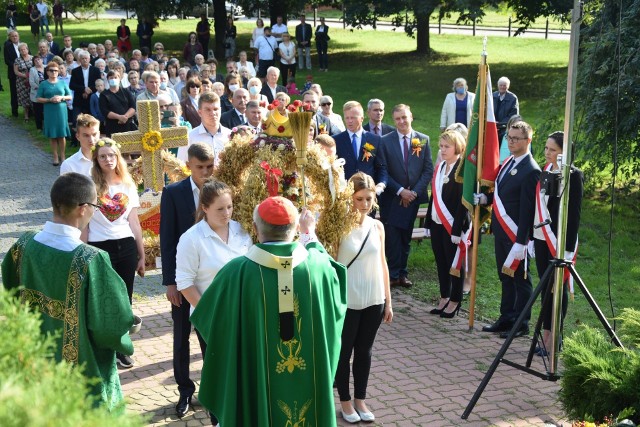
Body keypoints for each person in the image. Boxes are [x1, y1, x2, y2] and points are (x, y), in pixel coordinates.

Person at [190, 197, 347, 427]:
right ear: (295, 230)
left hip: (255, 388)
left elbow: (209, 321)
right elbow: (337, 285)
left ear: (255, 229)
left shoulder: (236, 273)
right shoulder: (319, 268)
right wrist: (310, 235)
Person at [1, 172, 134, 411]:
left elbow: (10, 289)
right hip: (80, 373)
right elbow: (109, 326)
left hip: (33, 360)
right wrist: (128, 327)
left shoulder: (22, 245)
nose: (94, 211)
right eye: (95, 205)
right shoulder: (91, 259)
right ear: (82, 208)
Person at [160, 142, 215, 419]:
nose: (205, 172)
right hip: (183, 279)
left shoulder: (220, 191)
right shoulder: (173, 193)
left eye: (209, 167)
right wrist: (170, 282)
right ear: (189, 166)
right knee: (182, 337)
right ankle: (184, 389)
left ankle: (213, 389)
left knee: (211, 338)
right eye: (200, 167)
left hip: (211, 279)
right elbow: (167, 239)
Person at [334, 172, 392, 423]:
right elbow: (333, 264)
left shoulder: (377, 226)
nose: (365, 205)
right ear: (351, 198)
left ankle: (360, 398)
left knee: (365, 351)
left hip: (374, 297)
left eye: (369, 199)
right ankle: (345, 401)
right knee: (344, 351)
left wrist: (388, 301)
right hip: (348, 299)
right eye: (359, 199)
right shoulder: (339, 227)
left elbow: (383, 264)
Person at [475, 121, 541, 338]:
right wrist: (487, 197)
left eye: (516, 139)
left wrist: (522, 242)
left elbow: (527, 210)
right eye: (509, 138)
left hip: (516, 235)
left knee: (521, 280)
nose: (511, 142)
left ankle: (521, 323)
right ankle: (506, 317)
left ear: (528, 141)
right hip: (502, 231)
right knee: (505, 275)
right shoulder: (508, 162)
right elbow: (504, 194)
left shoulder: (531, 170)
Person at [88, 138, 145, 367]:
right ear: (97, 159)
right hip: (100, 246)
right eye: (103, 156)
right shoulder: (91, 185)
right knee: (103, 297)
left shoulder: (128, 185)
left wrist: (141, 255)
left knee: (125, 297)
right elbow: (85, 223)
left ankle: (122, 346)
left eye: (111, 155)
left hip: (126, 245)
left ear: (118, 157)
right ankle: (103, 344)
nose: (108, 160)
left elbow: (134, 222)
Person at [533, 131, 583, 355]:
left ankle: (555, 336)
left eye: (552, 150)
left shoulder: (573, 175)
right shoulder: (545, 171)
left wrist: (568, 249)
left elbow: (573, 216)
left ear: (565, 153)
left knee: (557, 289)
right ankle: (545, 334)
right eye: (546, 148)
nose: (547, 153)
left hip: (558, 241)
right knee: (545, 289)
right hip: (541, 238)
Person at [177, 178, 252, 313]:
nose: (227, 213)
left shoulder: (242, 231)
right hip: (212, 315)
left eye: (229, 207)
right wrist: (208, 314)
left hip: (244, 312)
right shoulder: (191, 238)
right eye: (220, 209)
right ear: (205, 208)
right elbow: (184, 282)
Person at [379, 104, 433, 287]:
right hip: (392, 196)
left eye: (404, 117)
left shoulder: (423, 140)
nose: (401, 121)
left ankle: (403, 272)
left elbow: (427, 170)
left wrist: (414, 192)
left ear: (411, 117)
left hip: (413, 198)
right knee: (392, 235)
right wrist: (401, 191)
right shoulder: (385, 141)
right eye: (397, 119)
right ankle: (393, 273)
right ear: (393, 121)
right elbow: (383, 170)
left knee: (406, 235)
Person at [427, 130, 470, 317]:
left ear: (457, 147)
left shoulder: (462, 169)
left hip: (453, 225)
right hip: (437, 223)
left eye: (447, 146)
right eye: (441, 146)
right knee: (441, 261)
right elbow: (433, 197)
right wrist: (429, 221)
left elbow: (463, 202)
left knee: (454, 264)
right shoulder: (441, 166)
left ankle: (455, 300)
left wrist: (457, 228)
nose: (443, 150)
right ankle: (444, 296)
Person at [334, 100, 387, 186]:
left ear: (362, 118)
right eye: (347, 118)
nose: (349, 121)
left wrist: (381, 185)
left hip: (368, 190)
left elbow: (381, 167)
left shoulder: (375, 140)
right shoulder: (336, 140)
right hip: (345, 190)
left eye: (353, 118)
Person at [177, 92, 231, 165]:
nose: (212, 113)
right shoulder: (189, 137)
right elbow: (181, 165)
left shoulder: (230, 135)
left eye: (215, 109)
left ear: (220, 110)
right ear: (199, 113)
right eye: (208, 110)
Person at [37, 61, 72, 165]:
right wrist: (49, 100)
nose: (54, 72)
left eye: (56, 70)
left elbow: (69, 96)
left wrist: (61, 97)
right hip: (49, 110)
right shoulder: (43, 84)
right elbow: (38, 98)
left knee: (62, 134)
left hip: (61, 110)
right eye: (51, 70)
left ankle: (63, 155)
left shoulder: (62, 83)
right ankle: (55, 156)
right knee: (53, 135)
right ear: (47, 72)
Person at [99, 70, 137, 137]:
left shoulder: (126, 92)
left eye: (116, 77)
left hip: (128, 125)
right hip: (112, 127)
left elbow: (133, 106)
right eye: (111, 78)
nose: (113, 79)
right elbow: (105, 111)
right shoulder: (104, 95)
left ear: (119, 79)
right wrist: (119, 117)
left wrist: (125, 117)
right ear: (107, 79)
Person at [70, 50, 101, 120]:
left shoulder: (96, 70)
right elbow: (72, 85)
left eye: (86, 58)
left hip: (92, 98)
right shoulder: (75, 71)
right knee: (77, 120)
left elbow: (99, 84)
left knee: (93, 120)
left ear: (89, 59)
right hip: (79, 99)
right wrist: (84, 89)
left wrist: (89, 90)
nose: (84, 60)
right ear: (79, 60)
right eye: (83, 58)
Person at [493, 76, 520, 142]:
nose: (502, 87)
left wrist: (499, 123)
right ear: (498, 85)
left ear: (508, 86)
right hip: (493, 126)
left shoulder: (513, 98)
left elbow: (513, 115)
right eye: (500, 85)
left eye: (504, 85)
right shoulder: (493, 95)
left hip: (505, 128)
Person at [14, 42, 33, 122]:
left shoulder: (33, 58)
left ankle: (35, 114)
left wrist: (30, 77)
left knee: (33, 97)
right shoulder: (17, 60)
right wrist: (25, 76)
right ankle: (26, 116)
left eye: (24, 49)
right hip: (22, 83)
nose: (23, 51)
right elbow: (16, 71)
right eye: (21, 50)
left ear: (27, 50)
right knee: (25, 99)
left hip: (32, 81)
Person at [4, 30, 21, 117]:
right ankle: (15, 112)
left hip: (24, 73)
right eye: (13, 36)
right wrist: (16, 67)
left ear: (19, 37)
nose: (15, 37)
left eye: (16, 36)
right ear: (10, 38)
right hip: (13, 73)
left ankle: (29, 111)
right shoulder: (8, 47)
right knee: (14, 93)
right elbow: (7, 61)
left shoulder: (23, 45)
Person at [29, 55, 46, 130]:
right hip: (37, 92)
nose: (37, 61)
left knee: (46, 111)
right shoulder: (32, 70)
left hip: (47, 93)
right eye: (35, 60)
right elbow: (31, 82)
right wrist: (40, 88)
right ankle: (39, 127)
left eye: (39, 59)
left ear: (42, 60)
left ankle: (47, 127)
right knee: (38, 111)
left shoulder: (47, 67)